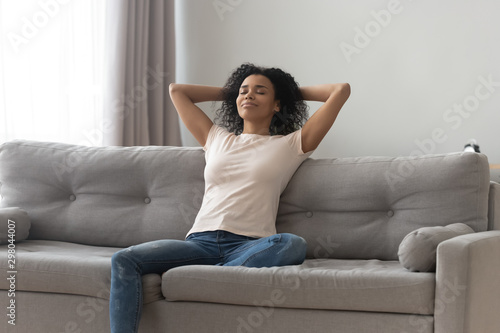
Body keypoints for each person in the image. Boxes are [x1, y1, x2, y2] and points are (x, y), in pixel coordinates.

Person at [109, 63, 350, 333]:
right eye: (243, 91)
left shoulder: (292, 144)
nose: (248, 96)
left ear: (277, 105)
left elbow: (340, 91)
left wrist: (288, 92)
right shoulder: (216, 138)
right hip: (200, 243)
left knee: (292, 244)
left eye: (260, 92)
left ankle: (214, 275)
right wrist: (238, 91)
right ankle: (222, 274)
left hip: (249, 246)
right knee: (124, 260)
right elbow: (177, 91)